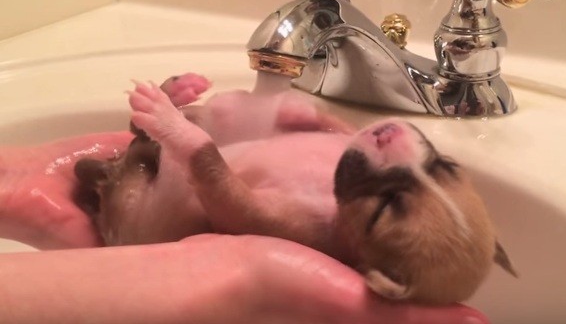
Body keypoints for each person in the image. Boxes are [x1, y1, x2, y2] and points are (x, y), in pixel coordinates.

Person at [0, 133, 488, 324]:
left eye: (385, 207)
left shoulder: (303, 227)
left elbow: (228, 192)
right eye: (441, 162)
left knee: (127, 183)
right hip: (160, 184)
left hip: (153, 193)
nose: (401, 144)